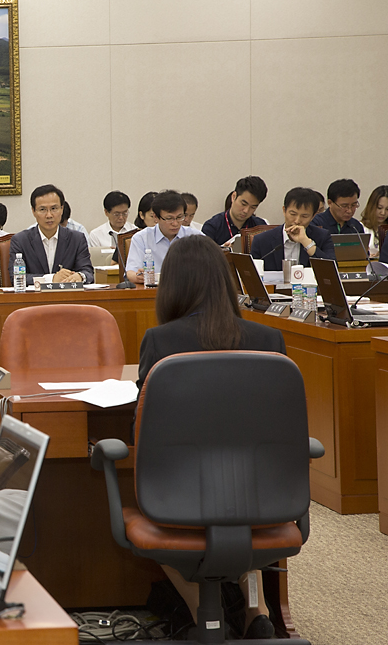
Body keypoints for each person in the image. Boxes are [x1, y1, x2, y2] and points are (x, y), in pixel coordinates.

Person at [136, 234, 285, 640]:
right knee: (245, 521)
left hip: (178, 497)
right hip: (263, 495)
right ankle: (258, 613)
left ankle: (202, 617)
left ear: (173, 286)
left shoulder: (160, 342)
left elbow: (142, 423)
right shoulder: (268, 340)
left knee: (136, 505)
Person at [9, 184, 94, 285]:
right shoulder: (20, 240)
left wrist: (80, 276)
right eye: (42, 210)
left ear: (62, 209)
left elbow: (88, 272)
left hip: (68, 298)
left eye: (54, 208)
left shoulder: (77, 239)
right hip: (34, 299)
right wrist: (52, 279)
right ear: (33, 211)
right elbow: (16, 277)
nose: (49, 215)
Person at [125, 191, 203, 284]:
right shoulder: (141, 238)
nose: (175, 223)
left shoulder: (196, 237)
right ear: (156, 217)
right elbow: (131, 272)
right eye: (169, 218)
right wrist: (138, 277)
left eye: (179, 217)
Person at [250, 187, 335, 270]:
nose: (297, 221)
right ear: (284, 211)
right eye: (293, 214)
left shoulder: (322, 236)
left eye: (304, 216)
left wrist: (307, 243)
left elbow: (331, 271)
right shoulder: (262, 240)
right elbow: (252, 274)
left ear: (313, 216)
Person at [201, 176, 268, 246]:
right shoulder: (212, 227)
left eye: (253, 207)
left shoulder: (260, 227)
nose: (246, 210)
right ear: (233, 196)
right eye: (243, 204)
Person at [359, 185, 388, 254]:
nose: (383, 213)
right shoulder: (360, 227)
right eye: (379, 208)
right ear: (371, 206)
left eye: (387, 209)